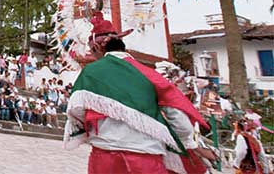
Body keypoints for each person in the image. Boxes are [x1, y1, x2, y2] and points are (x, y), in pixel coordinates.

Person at [64, 12, 215, 173]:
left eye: (92, 52)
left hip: (106, 159)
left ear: (97, 47)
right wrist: (186, 144)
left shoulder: (91, 72)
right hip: (147, 159)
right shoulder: (150, 74)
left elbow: (75, 111)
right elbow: (180, 122)